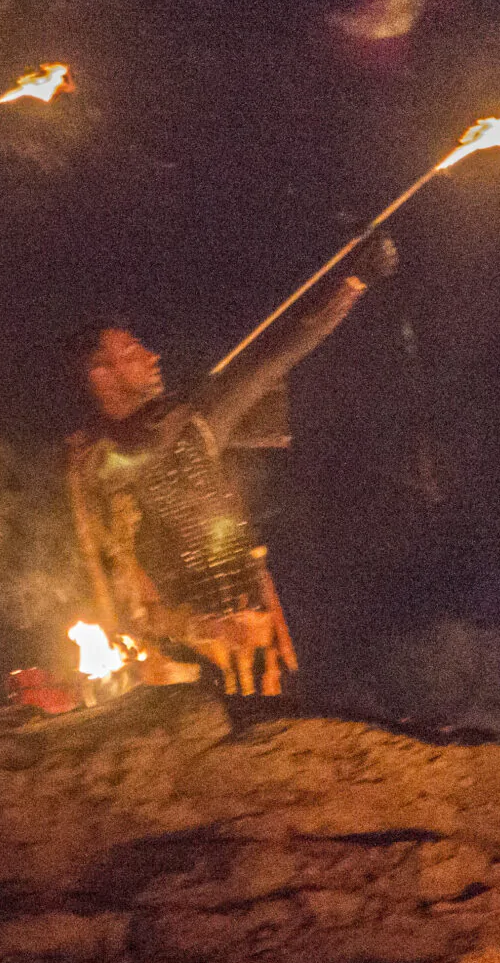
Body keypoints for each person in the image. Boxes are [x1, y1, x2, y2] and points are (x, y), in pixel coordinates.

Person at [64, 240, 391, 697]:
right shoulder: (92, 467)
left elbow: (278, 351)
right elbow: (112, 577)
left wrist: (352, 284)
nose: (152, 356)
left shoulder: (196, 420)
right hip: (166, 667)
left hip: (250, 644)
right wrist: (198, 628)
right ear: (101, 374)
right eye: (132, 349)